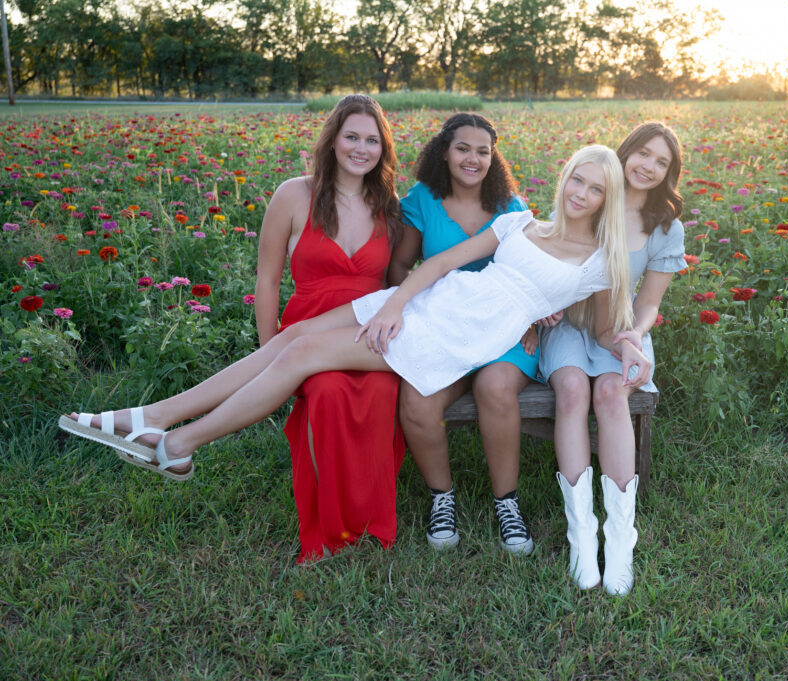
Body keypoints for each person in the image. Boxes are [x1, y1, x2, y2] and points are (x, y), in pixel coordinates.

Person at [57, 146, 651, 521]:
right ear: (565, 178)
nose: (580, 194)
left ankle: (180, 445)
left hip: (463, 333)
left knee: (308, 352)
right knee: (294, 337)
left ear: (608, 197)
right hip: (432, 300)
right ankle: (153, 417)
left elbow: (605, 325)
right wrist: (393, 306)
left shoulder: (599, 262)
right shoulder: (521, 221)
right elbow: (444, 264)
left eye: (595, 188)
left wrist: (630, 347)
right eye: (577, 179)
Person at [254, 94, 406, 563]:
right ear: (333, 140)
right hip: (308, 330)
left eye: (372, 140)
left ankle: (367, 521)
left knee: (379, 394)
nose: (361, 148)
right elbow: (268, 278)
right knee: (328, 390)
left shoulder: (390, 205)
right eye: (352, 137)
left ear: (383, 147)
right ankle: (329, 528)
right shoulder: (294, 194)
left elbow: (399, 282)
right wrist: (269, 355)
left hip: (370, 333)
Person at [538, 123, 686, 595]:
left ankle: (620, 538)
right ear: (625, 153)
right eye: (643, 153)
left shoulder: (666, 226)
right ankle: (582, 534)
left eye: (661, 162)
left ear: (669, 173)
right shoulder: (596, 197)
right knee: (573, 389)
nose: (648, 166)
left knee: (609, 392)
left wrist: (635, 336)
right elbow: (551, 256)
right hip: (568, 324)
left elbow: (649, 303)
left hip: (622, 331)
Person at [388, 113, 536, 555]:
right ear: (444, 151)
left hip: (505, 331)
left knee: (495, 387)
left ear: (494, 157)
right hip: (443, 327)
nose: (473, 158)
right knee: (416, 399)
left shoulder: (511, 207)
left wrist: (531, 322)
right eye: (463, 148)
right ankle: (442, 497)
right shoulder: (423, 200)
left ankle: (506, 503)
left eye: (483, 151)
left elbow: (535, 274)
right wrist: (405, 311)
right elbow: (401, 265)